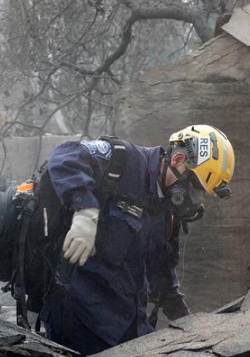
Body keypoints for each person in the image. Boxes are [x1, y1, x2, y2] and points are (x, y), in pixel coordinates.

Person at [40, 125, 235, 356]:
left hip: (123, 321)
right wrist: (85, 211)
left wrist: (189, 324)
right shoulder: (124, 159)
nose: (193, 201)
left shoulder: (165, 213)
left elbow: (161, 277)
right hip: (78, 314)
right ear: (178, 160)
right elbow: (65, 155)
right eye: (194, 189)